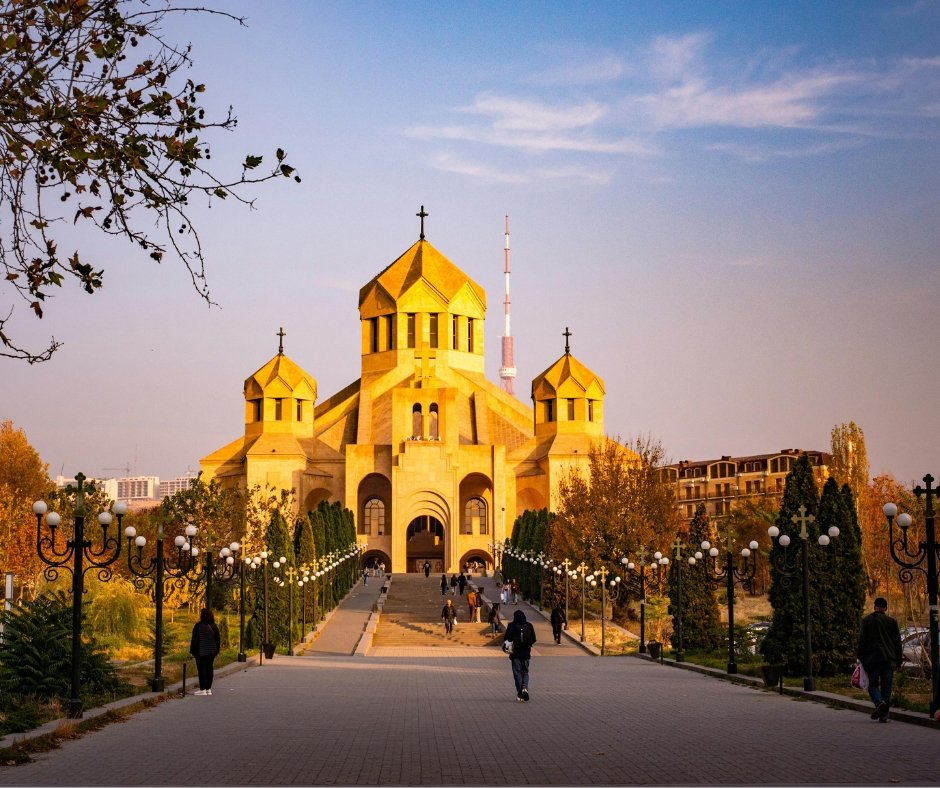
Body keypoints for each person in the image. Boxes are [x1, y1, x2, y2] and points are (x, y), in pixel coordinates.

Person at [857, 596, 903, 723]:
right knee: (886, 686)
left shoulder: (866, 621)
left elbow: (862, 641)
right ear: (886, 608)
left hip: (873, 659)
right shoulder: (892, 622)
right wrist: (899, 661)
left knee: (872, 684)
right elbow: (897, 643)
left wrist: (859, 657)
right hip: (889, 659)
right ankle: (884, 715)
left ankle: (879, 702)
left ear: (874, 607)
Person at [503, 609, 536, 701]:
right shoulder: (529, 625)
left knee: (517, 674)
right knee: (525, 672)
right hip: (526, 654)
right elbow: (533, 639)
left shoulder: (511, 626)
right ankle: (525, 688)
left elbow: (506, 639)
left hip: (515, 654)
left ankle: (520, 694)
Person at [189, 608, 221, 696]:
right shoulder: (214, 626)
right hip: (211, 652)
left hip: (200, 652)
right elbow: (218, 639)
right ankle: (208, 689)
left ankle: (202, 689)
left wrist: (191, 651)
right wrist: (217, 651)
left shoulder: (198, 626)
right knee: (210, 669)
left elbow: (194, 640)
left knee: (202, 670)